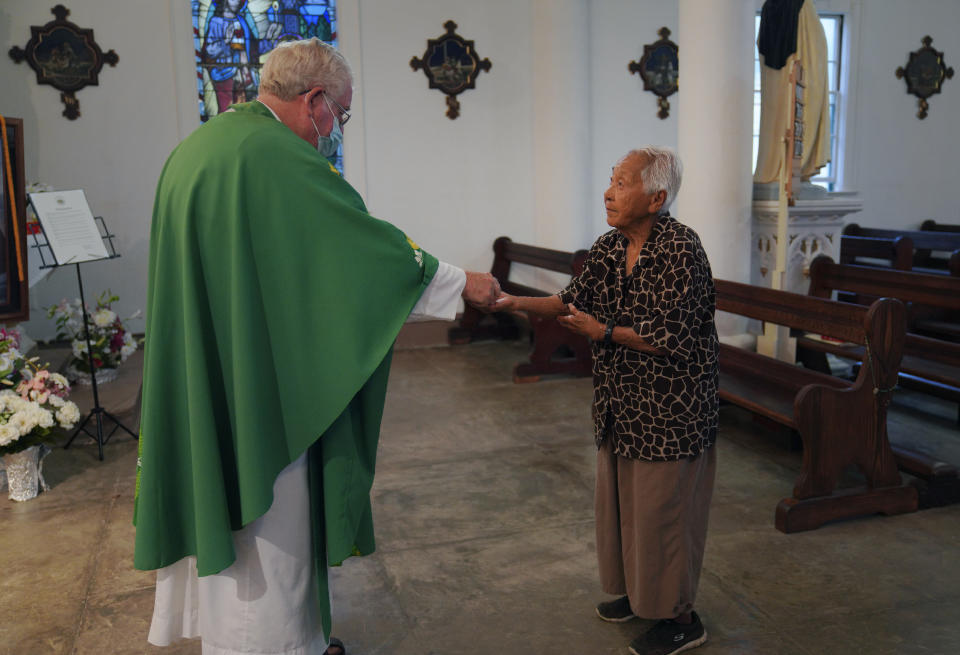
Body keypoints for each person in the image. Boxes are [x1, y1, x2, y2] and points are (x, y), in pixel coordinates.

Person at [133, 38, 500, 655]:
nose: (334, 131)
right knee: (267, 538)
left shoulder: (201, 147)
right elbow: (357, 249)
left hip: (217, 367)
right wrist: (461, 281)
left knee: (231, 520)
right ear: (315, 102)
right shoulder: (276, 157)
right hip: (261, 389)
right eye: (341, 115)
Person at [495, 147, 718, 655]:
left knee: (665, 515)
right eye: (611, 180)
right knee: (624, 508)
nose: (609, 191)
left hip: (672, 410)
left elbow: (669, 335)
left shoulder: (681, 249)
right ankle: (643, 598)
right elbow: (570, 300)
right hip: (622, 405)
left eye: (622, 182)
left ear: (656, 197)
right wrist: (508, 300)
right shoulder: (611, 245)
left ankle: (682, 617)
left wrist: (603, 331)